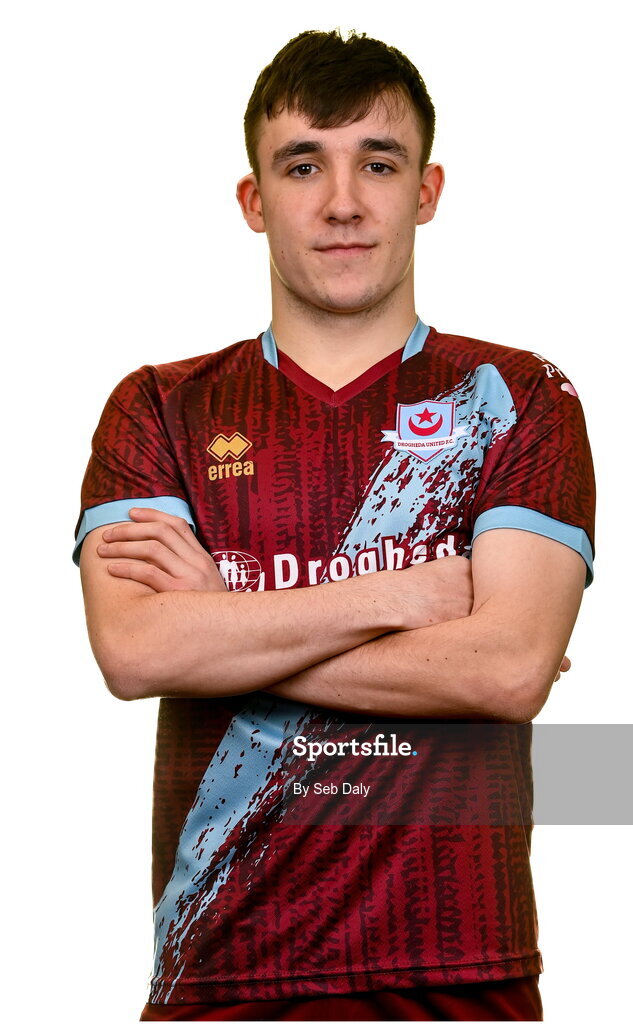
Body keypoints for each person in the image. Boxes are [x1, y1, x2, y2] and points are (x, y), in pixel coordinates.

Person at [74, 28, 595, 1023]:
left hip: (458, 976)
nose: (342, 201)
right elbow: (136, 649)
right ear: (253, 200)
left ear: (426, 191)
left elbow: (504, 670)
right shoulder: (157, 407)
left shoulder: (518, 397)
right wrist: (400, 600)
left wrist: (221, 627)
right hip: (221, 976)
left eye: (378, 162)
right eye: (303, 164)